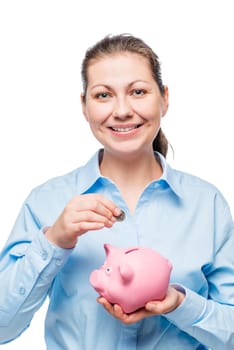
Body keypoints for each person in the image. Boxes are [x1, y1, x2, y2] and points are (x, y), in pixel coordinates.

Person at [0, 34, 233, 350]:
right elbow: (3, 327)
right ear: (84, 106)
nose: (122, 110)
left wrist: (180, 303)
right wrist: (54, 240)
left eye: (138, 92)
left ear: (164, 98)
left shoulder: (207, 204)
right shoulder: (46, 201)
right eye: (103, 95)